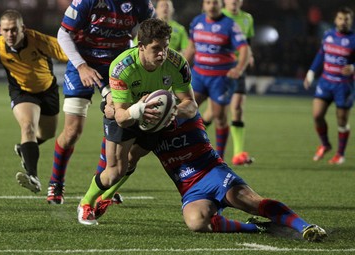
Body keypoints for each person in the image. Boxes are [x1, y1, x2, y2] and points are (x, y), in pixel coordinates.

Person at [86, 109, 327, 242]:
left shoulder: (189, 117)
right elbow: (130, 161)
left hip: (214, 173)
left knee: (251, 202)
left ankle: (306, 227)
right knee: (196, 223)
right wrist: (107, 194)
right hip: (191, 189)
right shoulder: (151, 134)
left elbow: (188, 107)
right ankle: (257, 229)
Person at [77, 18, 198, 225]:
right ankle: (86, 203)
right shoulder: (123, 67)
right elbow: (121, 117)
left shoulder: (177, 64)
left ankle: (105, 198)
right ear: (141, 47)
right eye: (156, 48)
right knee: (115, 172)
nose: (163, 53)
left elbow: (191, 104)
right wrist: (139, 108)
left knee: (134, 159)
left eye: (166, 47)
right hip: (124, 112)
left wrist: (173, 111)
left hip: (153, 117)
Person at [47, 0, 156, 204]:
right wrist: (80, 66)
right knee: (72, 132)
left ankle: (103, 182)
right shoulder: (86, 2)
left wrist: (133, 52)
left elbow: (151, 32)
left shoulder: (141, 4)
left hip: (118, 65)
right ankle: (56, 182)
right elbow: (63, 33)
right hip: (83, 63)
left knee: (117, 117)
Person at [0, 9, 68, 193]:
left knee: (48, 133)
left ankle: (24, 148)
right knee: (28, 127)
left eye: (14, 29)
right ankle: (33, 176)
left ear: (23, 28)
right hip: (22, 92)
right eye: (6, 30)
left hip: (48, 90)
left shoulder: (39, 41)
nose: (10, 34)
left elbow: (68, 53)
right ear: (0, 30)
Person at [184, 0, 250, 161]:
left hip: (220, 79)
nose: (211, 6)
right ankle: (186, 150)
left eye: (215, 3)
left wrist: (239, 68)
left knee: (219, 117)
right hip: (199, 75)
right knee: (185, 111)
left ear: (220, 6)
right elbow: (191, 48)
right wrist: (182, 68)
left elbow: (244, 49)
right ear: (204, 5)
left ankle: (219, 157)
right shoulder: (197, 22)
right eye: (208, 2)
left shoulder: (230, 25)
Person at [201, 0, 255, 165]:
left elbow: (247, 42)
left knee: (237, 108)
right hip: (219, 71)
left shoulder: (247, 18)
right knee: (213, 113)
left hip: (238, 68)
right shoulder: (218, 16)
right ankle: (195, 142)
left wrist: (248, 56)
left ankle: (238, 154)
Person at [303, 6, 355, 165]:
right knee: (317, 115)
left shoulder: (353, 39)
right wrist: (311, 72)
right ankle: (325, 144)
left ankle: (340, 154)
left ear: (351, 21)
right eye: (340, 18)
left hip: (344, 85)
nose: (343, 22)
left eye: (346, 19)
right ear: (335, 20)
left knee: (341, 120)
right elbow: (321, 54)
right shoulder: (328, 35)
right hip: (326, 82)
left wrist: (353, 68)